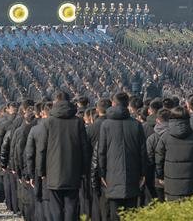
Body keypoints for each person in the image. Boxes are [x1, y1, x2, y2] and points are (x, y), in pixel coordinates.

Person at [37, 91, 90, 221]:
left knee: (55, 207)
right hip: (73, 170)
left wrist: (41, 170)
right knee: (72, 205)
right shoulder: (78, 122)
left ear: (55, 102)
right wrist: (84, 170)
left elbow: (42, 149)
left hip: (53, 171)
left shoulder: (48, 122)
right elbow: (85, 148)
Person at [96, 93, 146, 220]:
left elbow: (101, 152)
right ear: (127, 104)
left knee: (115, 214)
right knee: (132, 214)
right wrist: (142, 173)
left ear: (113, 103)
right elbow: (142, 152)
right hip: (133, 174)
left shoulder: (106, 125)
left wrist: (102, 174)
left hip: (112, 176)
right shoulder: (136, 125)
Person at [154, 106, 193, 201]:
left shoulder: (165, 137)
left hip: (171, 184)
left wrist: (160, 176)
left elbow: (159, 159)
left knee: (174, 212)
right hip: (191, 183)